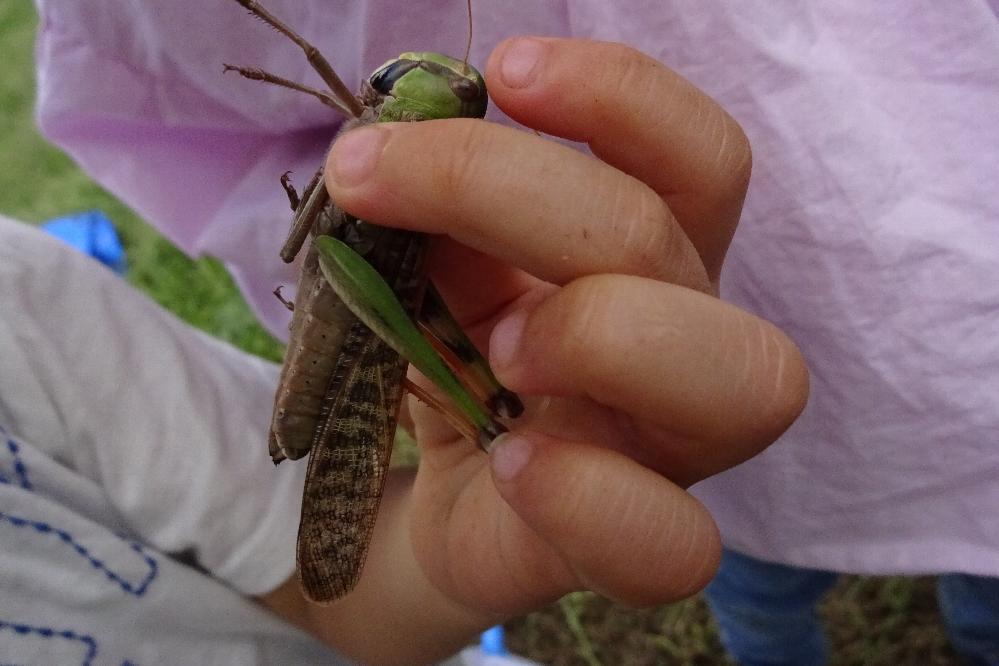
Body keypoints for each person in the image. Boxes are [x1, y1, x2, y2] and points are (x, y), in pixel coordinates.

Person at [28, 0, 999, 663]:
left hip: (370, 299)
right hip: (347, 299)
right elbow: (292, 228)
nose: (424, 79)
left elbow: (305, 227)